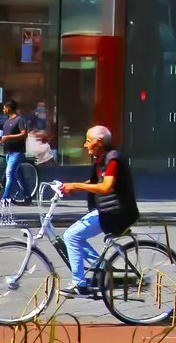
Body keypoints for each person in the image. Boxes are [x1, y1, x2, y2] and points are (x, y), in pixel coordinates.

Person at [59, 125, 137, 298]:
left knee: (71, 236)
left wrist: (77, 185)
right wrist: (74, 187)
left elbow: (106, 187)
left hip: (116, 213)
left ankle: (79, 284)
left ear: (99, 142)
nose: (85, 145)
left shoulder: (113, 159)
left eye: (88, 141)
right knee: (74, 237)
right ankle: (104, 270)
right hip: (109, 210)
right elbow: (99, 181)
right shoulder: (102, 157)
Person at [0, 99, 28, 203]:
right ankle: (27, 196)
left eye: (4, 108)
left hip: (17, 152)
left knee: (9, 173)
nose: (3, 110)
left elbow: (24, 134)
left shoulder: (19, 120)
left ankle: (5, 198)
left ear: (9, 108)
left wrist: (7, 137)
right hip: (8, 152)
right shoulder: (5, 121)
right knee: (18, 175)